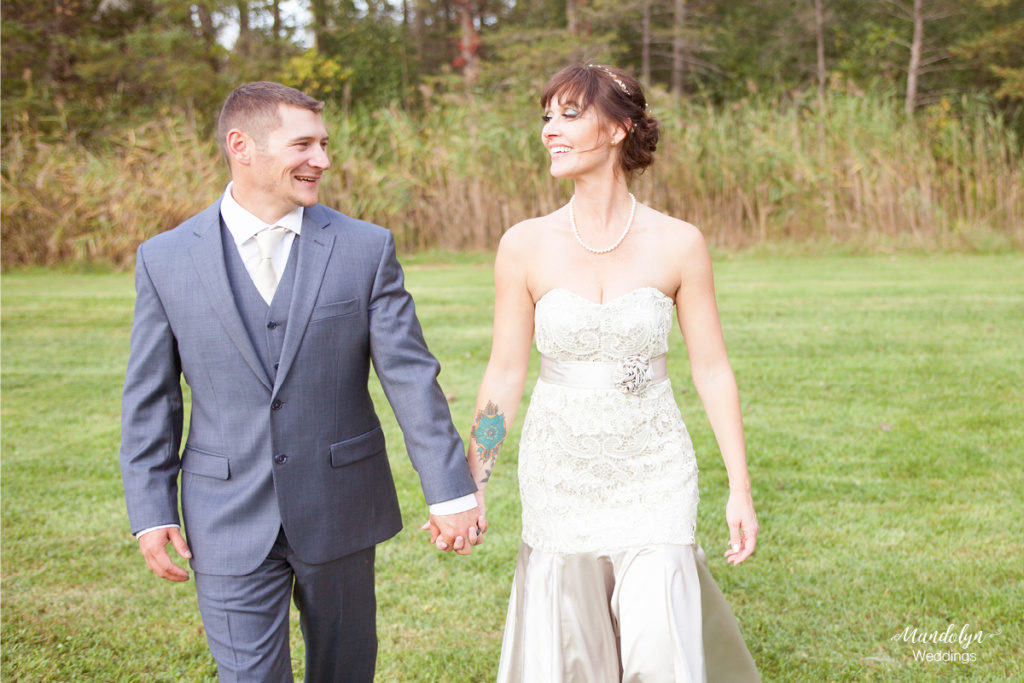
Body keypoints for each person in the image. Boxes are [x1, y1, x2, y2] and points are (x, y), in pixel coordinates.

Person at [119, 81, 483, 683]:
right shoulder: (165, 258)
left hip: (340, 501)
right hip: (224, 510)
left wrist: (450, 492)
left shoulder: (364, 248)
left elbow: (410, 376)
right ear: (242, 145)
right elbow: (151, 397)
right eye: (304, 144)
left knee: (344, 672)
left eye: (325, 143)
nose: (323, 160)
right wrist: (150, 508)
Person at [465, 65, 761, 682]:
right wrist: (479, 479)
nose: (550, 130)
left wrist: (740, 486)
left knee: (661, 644)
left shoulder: (680, 243)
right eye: (547, 116)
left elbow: (711, 368)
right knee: (571, 651)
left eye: (569, 115)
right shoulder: (523, 245)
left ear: (620, 129)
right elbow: (504, 372)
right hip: (559, 470)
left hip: (654, 467)